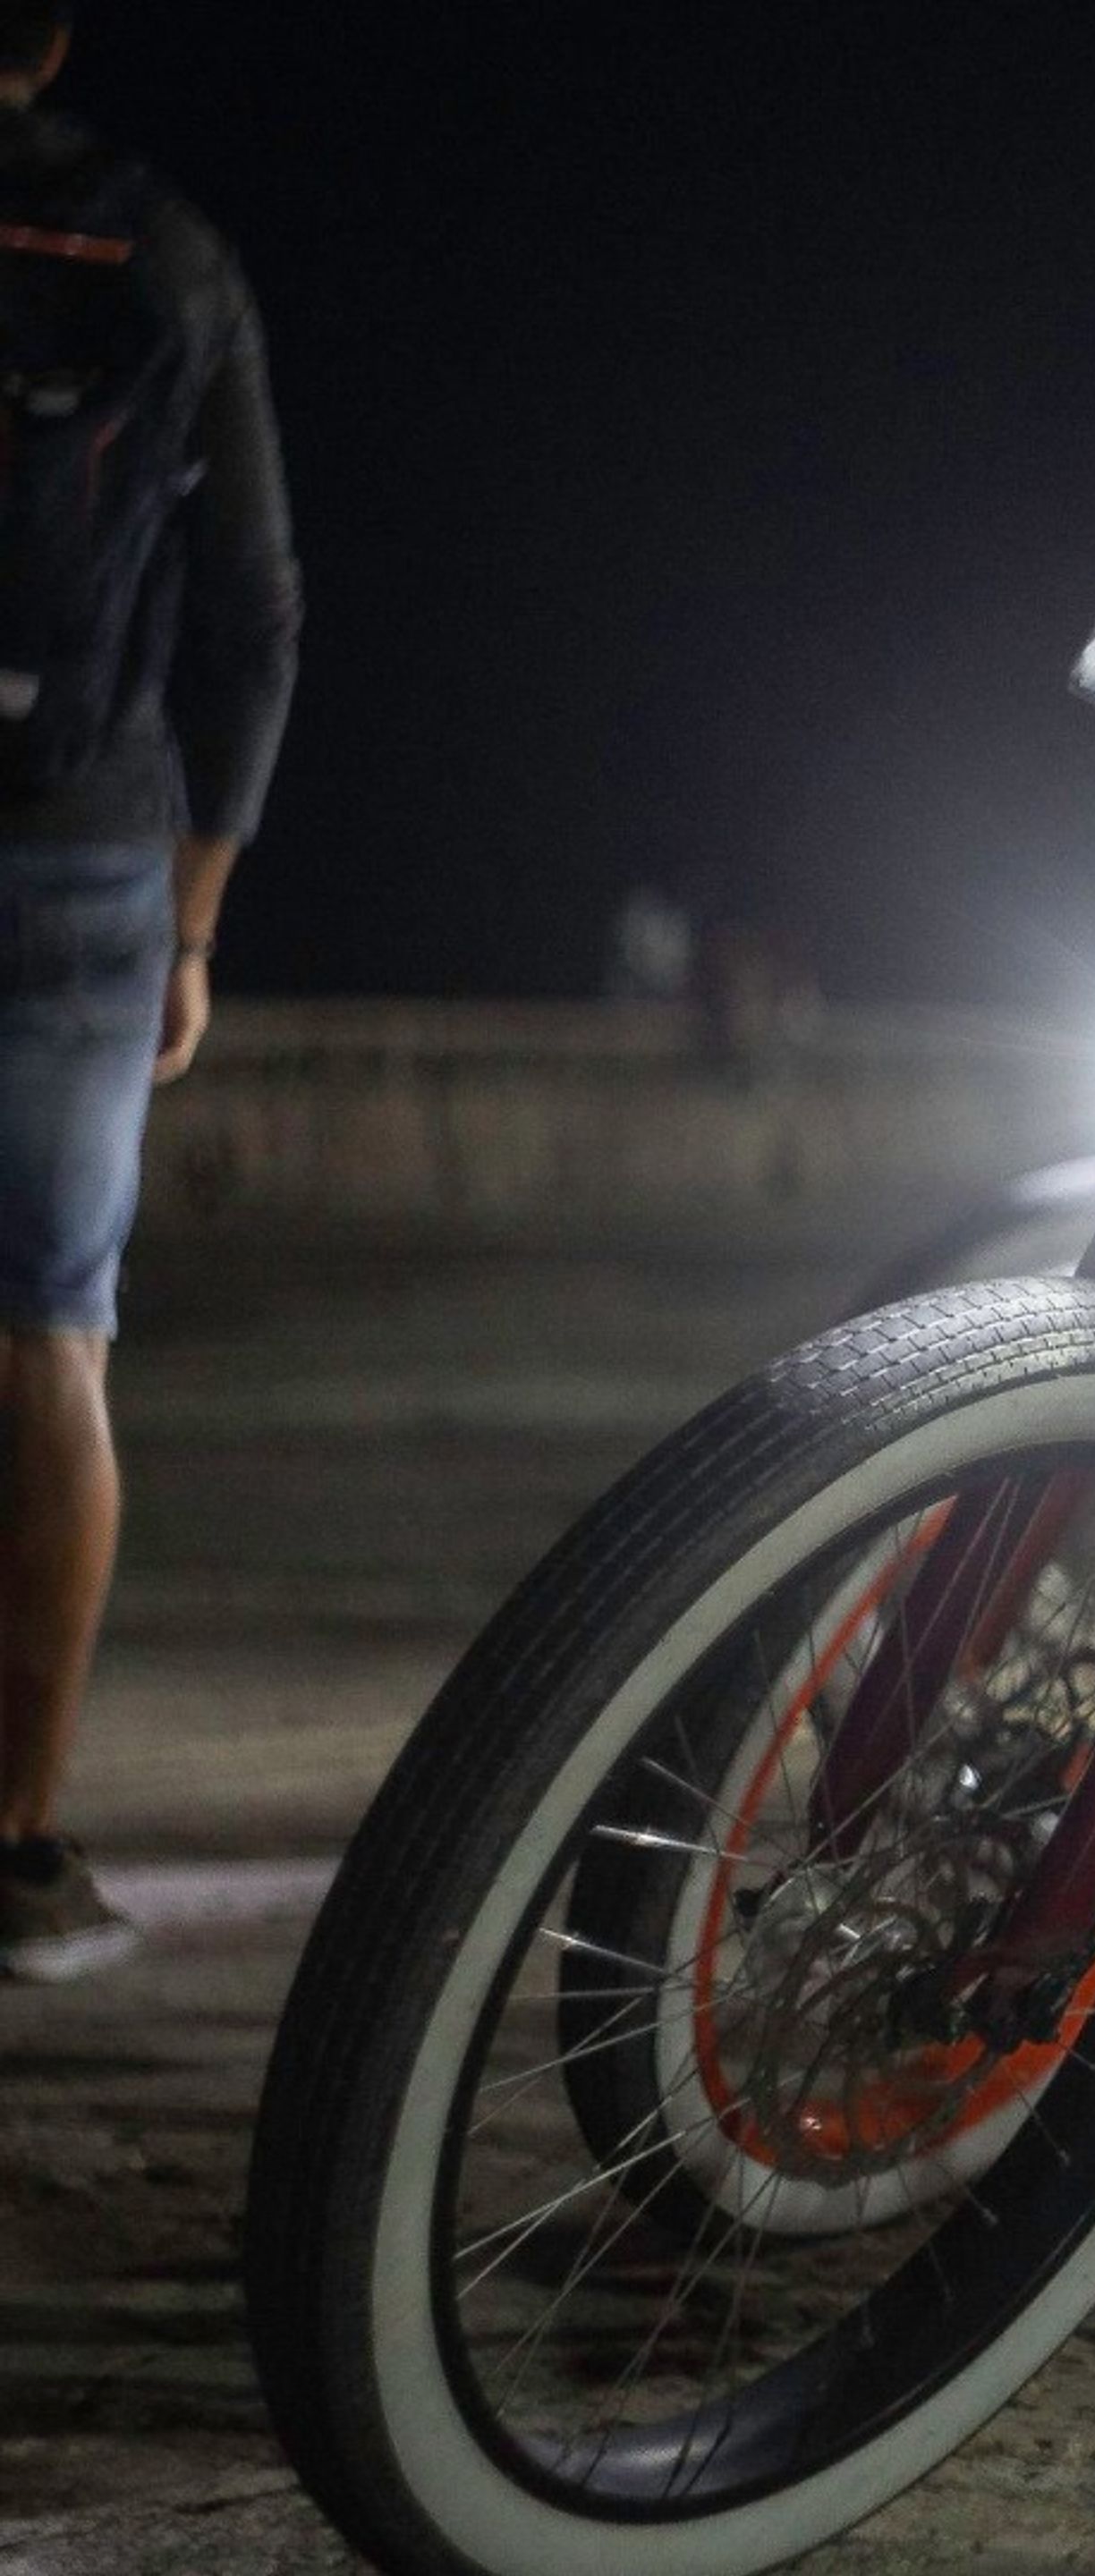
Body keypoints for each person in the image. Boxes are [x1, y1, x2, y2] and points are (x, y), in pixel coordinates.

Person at [0, 1, 300, 1979]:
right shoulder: (163, 248)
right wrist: (190, 926)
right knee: (45, 1350)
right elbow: (258, 623)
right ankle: (15, 1851)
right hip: (84, 849)